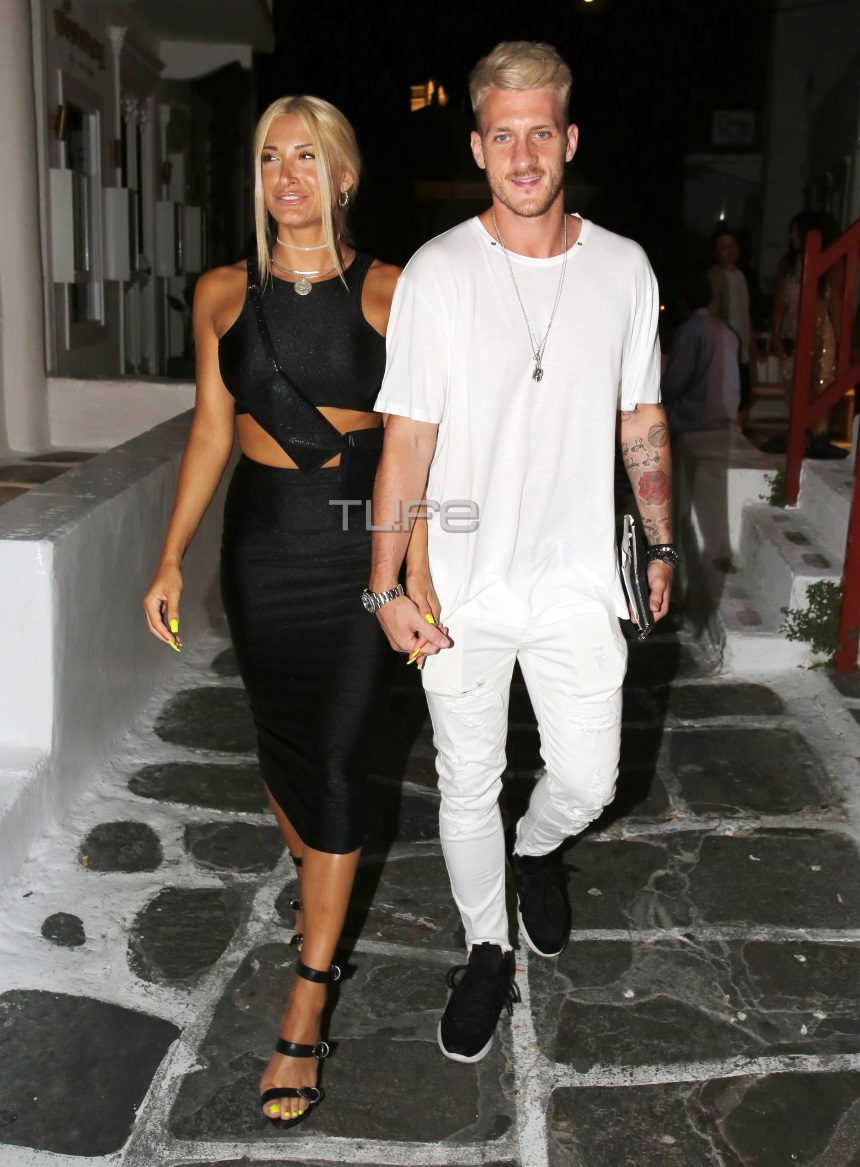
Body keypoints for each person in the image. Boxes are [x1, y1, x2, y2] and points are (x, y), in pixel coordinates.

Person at [364, 40, 674, 1065]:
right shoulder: (438, 274)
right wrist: (383, 586)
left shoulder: (623, 269)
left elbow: (640, 417)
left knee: (589, 778)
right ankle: (485, 948)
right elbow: (406, 441)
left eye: (541, 132)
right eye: (504, 136)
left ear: (569, 138)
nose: (524, 154)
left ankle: (537, 849)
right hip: (460, 586)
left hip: (578, 580)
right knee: (466, 780)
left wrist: (661, 539)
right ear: (477, 147)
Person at [143, 95, 407, 1125]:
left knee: (335, 761)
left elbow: (422, 442)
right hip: (259, 548)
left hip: (353, 543)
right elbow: (211, 432)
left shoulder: (391, 291)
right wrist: (170, 556)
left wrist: (411, 568)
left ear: (344, 176)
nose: (286, 175)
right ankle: (321, 876)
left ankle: (307, 1004)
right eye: (268, 157)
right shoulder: (219, 294)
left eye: (307, 156)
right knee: (282, 743)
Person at [771, 211, 845, 459]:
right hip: (793, 331)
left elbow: (836, 304)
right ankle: (799, 435)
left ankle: (818, 437)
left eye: (796, 231)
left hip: (822, 334)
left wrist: (842, 342)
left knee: (821, 383)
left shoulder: (831, 262)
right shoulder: (788, 264)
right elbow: (780, 303)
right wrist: (776, 334)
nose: (792, 236)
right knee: (792, 382)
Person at [662, 270, 740, 437]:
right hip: (728, 414)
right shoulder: (727, 331)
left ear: (683, 301)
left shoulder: (690, 330)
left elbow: (675, 382)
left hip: (697, 416)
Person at [707, 226, 755, 420]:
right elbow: (712, 313)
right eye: (723, 246)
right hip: (725, 353)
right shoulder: (715, 276)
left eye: (733, 245)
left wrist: (751, 345)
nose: (730, 250)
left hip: (741, 352)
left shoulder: (741, 276)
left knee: (743, 397)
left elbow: (745, 313)